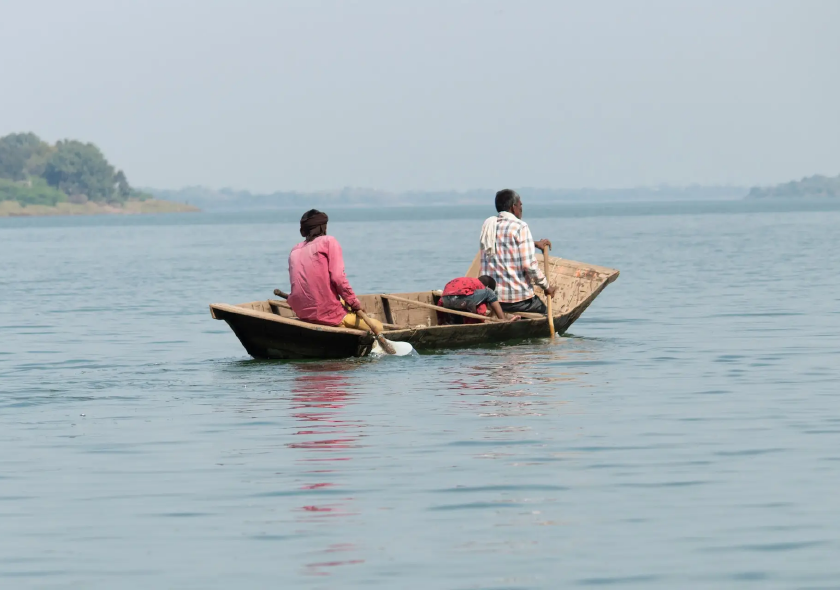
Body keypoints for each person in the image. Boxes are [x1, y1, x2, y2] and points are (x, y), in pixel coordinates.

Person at [287, 209, 383, 333]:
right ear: (323, 227)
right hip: (327, 313)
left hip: (302, 313)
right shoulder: (328, 242)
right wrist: (355, 304)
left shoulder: (295, 250)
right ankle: (342, 323)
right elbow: (338, 278)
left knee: (342, 301)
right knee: (379, 327)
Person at [479, 189, 557, 314]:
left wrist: (533, 243)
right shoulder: (520, 226)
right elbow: (529, 266)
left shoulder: (489, 226)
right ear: (513, 207)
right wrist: (546, 287)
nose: (521, 208)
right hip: (518, 301)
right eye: (520, 205)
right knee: (547, 314)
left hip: (491, 300)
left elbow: (505, 244)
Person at [439, 275, 511, 322]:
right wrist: (482, 321)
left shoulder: (467, 281)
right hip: (461, 299)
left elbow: (441, 300)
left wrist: (440, 318)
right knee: (489, 293)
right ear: (487, 286)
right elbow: (481, 309)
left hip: (445, 300)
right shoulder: (480, 285)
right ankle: (503, 320)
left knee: (462, 307)